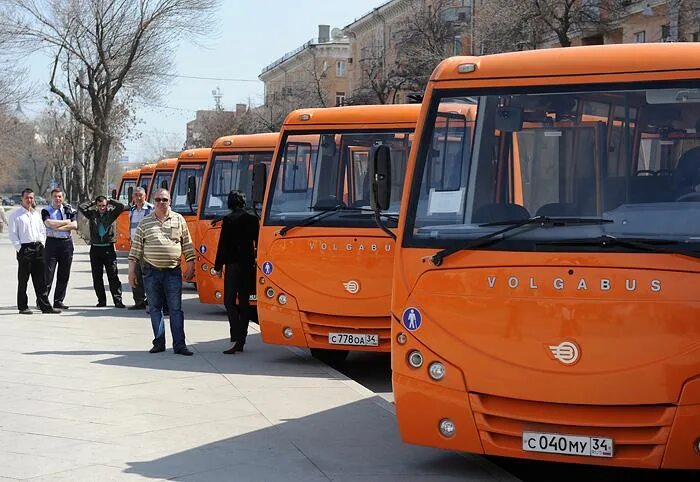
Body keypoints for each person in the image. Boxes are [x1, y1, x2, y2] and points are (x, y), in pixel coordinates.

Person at [128, 188, 196, 356]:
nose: (161, 203)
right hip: (151, 272)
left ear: (170, 201)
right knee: (155, 308)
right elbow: (136, 249)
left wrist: (191, 265)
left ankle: (179, 345)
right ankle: (159, 342)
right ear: (153, 201)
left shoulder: (179, 220)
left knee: (175, 309)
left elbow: (187, 244)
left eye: (164, 200)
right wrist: (131, 272)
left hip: (173, 272)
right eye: (158, 200)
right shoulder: (145, 222)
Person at [214, 190, 259, 354]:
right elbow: (258, 243)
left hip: (232, 266)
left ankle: (236, 334)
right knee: (245, 303)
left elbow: (223, 245)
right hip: (248, 266)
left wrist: (218, 266)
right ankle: (241, 339)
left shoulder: (228, 219)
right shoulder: (254, 220)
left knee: (229, 301)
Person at [8, 188, 61, 314]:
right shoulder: (15, 215)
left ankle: (45, 306)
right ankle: (23, 306)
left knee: (41, 280)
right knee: (23, 280)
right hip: (25, 249)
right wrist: (20, 249)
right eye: (27, 197)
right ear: (22, 198)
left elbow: (42, 231)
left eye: (31, 198)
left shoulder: (36, 214)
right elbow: (13, 234)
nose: (29, 200)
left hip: (38, 249)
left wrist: (42, 244)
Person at [78, 195, 126, 308]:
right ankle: (101, 300)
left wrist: (110, 200)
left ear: (107, 205)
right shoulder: (92, 214)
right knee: (97, 276)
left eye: (104, 205)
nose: (102, 208)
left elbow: (121, 206)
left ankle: (117, 300)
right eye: (99, 206)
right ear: (96, 205)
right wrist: (92, 202)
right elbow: (81, 207)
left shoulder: (111, 214)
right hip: (95, 248)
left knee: (113, 275)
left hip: (108, 248)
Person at [42, 188, 78, 309]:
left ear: (63, 198)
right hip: (52, 243)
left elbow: (74, 225)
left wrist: (58, 227)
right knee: (48, 274)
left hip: (66, 244)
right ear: (51, 197)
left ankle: (58, 300)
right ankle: (43, 300)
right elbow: (48, 223)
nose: (58, 199)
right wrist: (66, 222)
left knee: (64, 274)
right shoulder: (46, 210)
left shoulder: (69, 210)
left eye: (60, 197)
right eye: (55, 196)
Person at [128, 187, 153, 310]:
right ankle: (139, 301)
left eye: (140, 195)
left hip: (147, 246)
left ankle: (152, 300)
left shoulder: (151, 209)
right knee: (135, 274)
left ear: (145, 196)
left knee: (148, 274)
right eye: (136, 195)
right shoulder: (132, 210)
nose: (138, 198)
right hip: (134, 246)